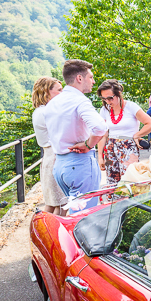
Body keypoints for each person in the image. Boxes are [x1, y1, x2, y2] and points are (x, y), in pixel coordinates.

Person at [44, 59, 108, 211]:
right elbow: (100, 127)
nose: (93, 81)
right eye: (90, 77)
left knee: (74, 212)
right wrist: (88, 145)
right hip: (80, 164)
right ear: (80, 78)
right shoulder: (79, 101)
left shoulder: (52, 103)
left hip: (59, 165)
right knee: (82, 217)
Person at [96, 79, 151, 186]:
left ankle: (130, 203)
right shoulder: (104, 110)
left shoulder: (131, 106)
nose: (108, 102)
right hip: (110, 147)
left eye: (110, 98)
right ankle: (114, 202)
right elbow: (103, 134)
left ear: (118, 94)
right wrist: (100, 156)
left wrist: (137, 135)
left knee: (130, 180)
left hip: (128, 146)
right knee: (112, 181)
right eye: (104, 99)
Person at [31, 76, 67, 215]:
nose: (62, 93)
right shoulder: (46, 112)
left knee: (54, 203)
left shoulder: (41, 111)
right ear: (47, 92)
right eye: (59, 90)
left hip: (50, 156)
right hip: (54, 156)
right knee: (60, 203)